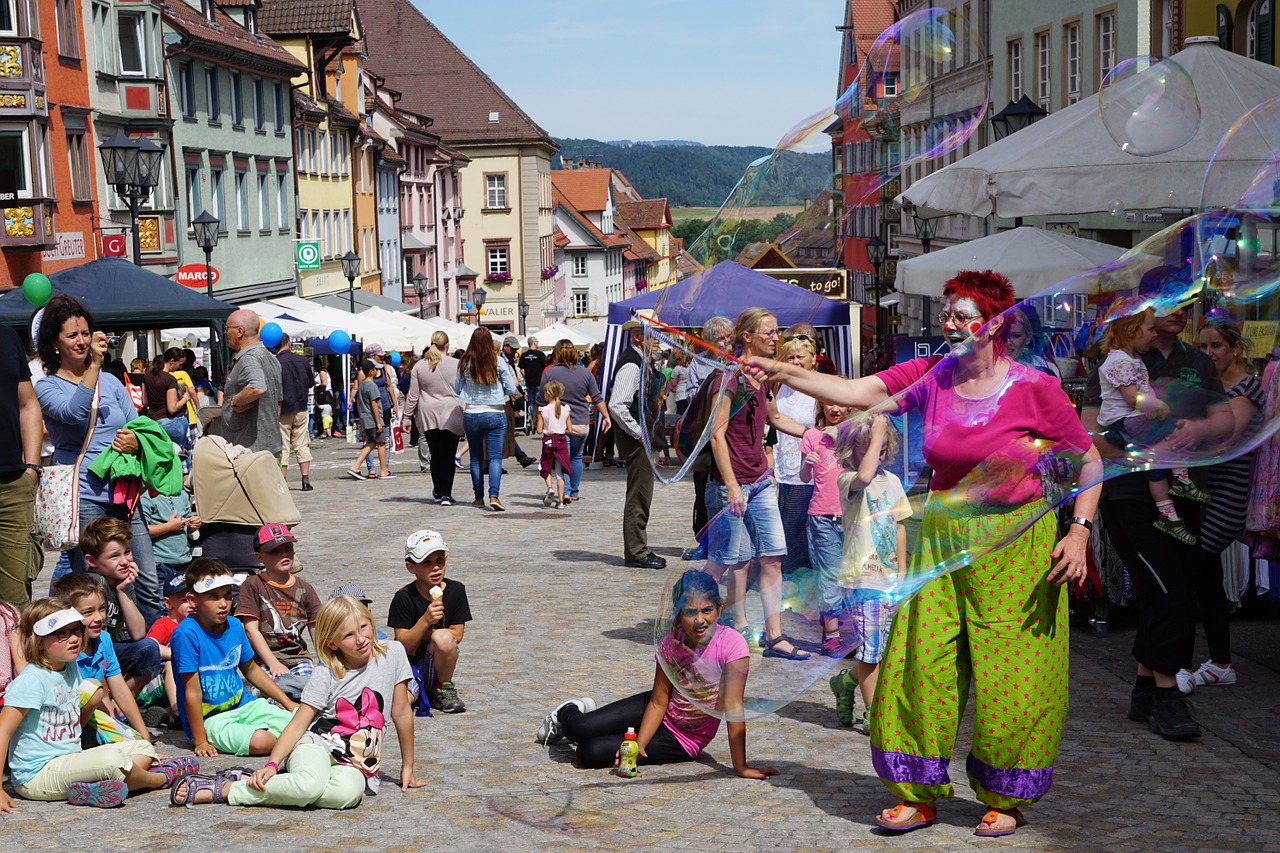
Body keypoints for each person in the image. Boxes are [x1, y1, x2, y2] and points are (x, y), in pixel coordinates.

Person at [755, 270, 1103, 837]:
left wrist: (1080, 531)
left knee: (1015, 671)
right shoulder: (934, 375)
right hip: (942, 530)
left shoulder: (1034, 388)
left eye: (963, 316)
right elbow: (859, 392)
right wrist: (783, 369)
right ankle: (917, 792)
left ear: (994, 325)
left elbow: (1088, 462)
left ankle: (1004, 795)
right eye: (947, 313)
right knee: (923, 659)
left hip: (1016, 540)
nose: (950, 324)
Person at [1084, 291, 1234, 744]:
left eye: (1185, 305)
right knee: (1171, 592)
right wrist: (1146, 440)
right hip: (1130, 493)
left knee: (1164, 591)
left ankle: (1145, 688)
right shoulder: (1118, 362)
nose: (1179, 313)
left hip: (1186, 493)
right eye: (1170, 305)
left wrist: (1199, 429)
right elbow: (1092, 437)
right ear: (1139, 323)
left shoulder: (1197, 360)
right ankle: (1169, 696)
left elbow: (1224, 420)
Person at [169, 595, 425, 807]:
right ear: (331, 643)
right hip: (316, 744)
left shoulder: (393, 653)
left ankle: (273, 783)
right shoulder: (326, 673)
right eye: (348, 635)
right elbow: (299, 723)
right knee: (308, 786)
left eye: (364, 627)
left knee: (347, 795)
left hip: (356, 760)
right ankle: (226, 789)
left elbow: (401, 711)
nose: (361, 639)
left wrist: (408, 766)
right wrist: (272, 763)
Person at [535, 570, 778, 780]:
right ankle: (567, 711)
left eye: (707, 610)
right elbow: (659, 700)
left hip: (683, 739)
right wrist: (639, 743)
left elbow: (734, 707)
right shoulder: (670, 643)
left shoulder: (733, 645)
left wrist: (741, 767)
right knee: (580, 727)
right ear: (678, 613)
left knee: (589, 752)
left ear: (719, 608)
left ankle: (598, 732)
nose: (700, 620)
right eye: (690, 612)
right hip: (655, 708)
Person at [34, 295, 161, 624]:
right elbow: (74, 412)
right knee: (93, 588)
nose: (81, 341)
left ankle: (150, 653)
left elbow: (137, 423)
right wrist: (93, 366)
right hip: (85, 497)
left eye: (86, 333)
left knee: (145, 578)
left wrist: (136, 441)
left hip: (124, 493)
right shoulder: (48, 387)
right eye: (72, 335)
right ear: (54, 342)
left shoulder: (111, 381)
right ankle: (103, 658)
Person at [0, 601, 195, 811]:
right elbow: (3, 731)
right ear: (38, 642)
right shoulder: (31, 680)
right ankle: (157, 779)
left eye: (76, 630)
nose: (74, 638)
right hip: (37, 776)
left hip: (69, 760)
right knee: (113, 759)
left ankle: (92, 788)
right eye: (61, 634)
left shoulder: (70, 667)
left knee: (143, 747)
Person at [703, 308, 810, 660]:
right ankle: (685, 617)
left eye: (777, 331)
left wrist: (815, 434)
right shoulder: (728, 379)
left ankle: (775, 636)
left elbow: (776, 418)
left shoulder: (761, 377)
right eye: (769, 332)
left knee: (774, 556)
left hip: (761, 482)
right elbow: (716, 435)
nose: (776, 338)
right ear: (747, 337)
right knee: (724, 562)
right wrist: (732, 487)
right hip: (735, 484)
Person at [1175, 315, 1263, 693]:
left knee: (1187, 570)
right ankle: (1221, 662)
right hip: (1197, 490)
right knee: (1206, 576)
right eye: (1202, 347)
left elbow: (1227, 437)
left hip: (1226, 493)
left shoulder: (1248, 388)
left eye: (1216, 347)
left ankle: (1174, 662)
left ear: (1235, 348)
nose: (1208, 354)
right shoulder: (1206, 384)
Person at [829, 414, 911, 736]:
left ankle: (844, 683)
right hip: (862, 580)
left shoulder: (892, 482)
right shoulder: (847, 479)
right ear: (852, 451)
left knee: (882, 651)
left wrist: (903, 572)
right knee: (871, 651)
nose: (875, 452)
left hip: (889, 579)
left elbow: (900, 525)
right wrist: (877, 432)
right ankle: (873, 715)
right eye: (866, 447)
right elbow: (863, 476)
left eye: (879, 445)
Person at [1096, 306, 1206, 544]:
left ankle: (1169, 514)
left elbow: (1146, 390)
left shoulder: (1132, 359)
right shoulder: (1119, 360)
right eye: (1150, 330)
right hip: (1122, 423)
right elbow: (1131, 397)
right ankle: (1181, 480)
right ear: (1131, 330)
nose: (1154, 335)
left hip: (1133, 420)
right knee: (1172, 429)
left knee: (1156, 471)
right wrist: (1159, 408)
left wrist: (1158, 403)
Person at [172, 558, 297, 757]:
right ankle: (284, 739)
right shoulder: (186, 634)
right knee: (261, 742)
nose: (223, 604)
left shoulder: (235, 625)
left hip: (244, 705)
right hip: (212, 719)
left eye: (228, 595)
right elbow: (192, 692)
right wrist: (200, 741)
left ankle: (285, 736)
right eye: (213, 596)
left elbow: (252, 669)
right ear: (192, 600)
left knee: (301, 721)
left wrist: (288, 703)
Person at [53, 522, 162, 739]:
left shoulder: (123, 581)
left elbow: (139, 633)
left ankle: (116, 711)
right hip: (84, 666)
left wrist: (123, 591)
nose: (124, 561)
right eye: (114, 556)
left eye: (127, 552)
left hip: (104, 652)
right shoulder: (90, 587)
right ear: (92, 561)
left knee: (149, 649)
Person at [387, 529, 472, 714]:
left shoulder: (456, 590)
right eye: (426, 562)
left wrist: (433, 634)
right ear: (411, 567)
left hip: (439, 662)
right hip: (409, 666)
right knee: (400, 705)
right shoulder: (403, 598)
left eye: (439, 560)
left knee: (443, 637)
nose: (435, 568)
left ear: (446, 560)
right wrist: (425, 620)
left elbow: (457, 634)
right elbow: (403, 644)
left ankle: (443, 688)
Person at [235, 524, 321, 701]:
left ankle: (282, 692)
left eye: (287, 548)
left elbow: (316, 629)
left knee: (315, 688)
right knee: (277, 690)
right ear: (260, 557)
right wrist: (273, 663)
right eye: (274, 550)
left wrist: (325, 661)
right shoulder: (253, 584)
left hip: (298, 659)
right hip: (263, 661)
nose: (283, 554)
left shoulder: (305, 588)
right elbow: (251, 629)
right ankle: (274, 692)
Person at [798, 399, 854, 658]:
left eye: (839, 405)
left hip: (853, 515)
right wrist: (807, 463)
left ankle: (847, 629)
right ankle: (831, 636)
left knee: (852, 576)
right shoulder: (812, 436)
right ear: (822, 407)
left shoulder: (855, 433)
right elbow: (804, 477)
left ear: (849, 408)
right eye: (829, 404)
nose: (835, 409)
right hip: (822, 517)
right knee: (830, 576)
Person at [609, 320, 667, 568]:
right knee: (639, 494)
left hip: (641, 436)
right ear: (636, 337)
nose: (657, 340)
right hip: (635, 439)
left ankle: (638, 548)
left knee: (643, 494)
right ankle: (636, 551)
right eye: (652, 336)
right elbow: (617, 405)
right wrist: (638, 432)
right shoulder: (632, 364)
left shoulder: (642, 361)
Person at [536, 340, 612, 503]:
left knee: (562, 458)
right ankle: (574, 490)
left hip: (559, 423)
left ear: (556, 352)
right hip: (582, 422)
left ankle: (567, 491)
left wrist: (539, 421)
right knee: (576, 457)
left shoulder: (549, 373)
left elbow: (540, 399)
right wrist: (606, 416)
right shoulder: (585, 373)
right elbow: (597, 397)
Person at [0, 322, 41, 605]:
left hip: (13, 485)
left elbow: (27, 405)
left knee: (16, 605)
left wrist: (32, 468)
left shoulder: (6, 336)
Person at [456, 328, 517, 511]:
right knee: (495, 458)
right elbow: (511, 389)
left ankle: (478, 497)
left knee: (475, 457)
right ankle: (494, 495)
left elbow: (457, 388)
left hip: (472, 413)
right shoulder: (497, 361)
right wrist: (500, 393)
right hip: (495, 412)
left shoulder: (465, 362)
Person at [773, 332, 820, 574]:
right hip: (781, 466)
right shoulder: (779, 385)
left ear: (813, 358)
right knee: (783, 526)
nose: (794, 362)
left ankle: (799, 574)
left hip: (809, 469)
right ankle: (790, 575)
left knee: (797, 525)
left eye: (800, 356)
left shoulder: (820, 388)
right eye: (789, 357)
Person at [685, 316, 735, 538]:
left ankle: (726, 534)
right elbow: (689, 396)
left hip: (731, 434)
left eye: (727, 337)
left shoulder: (736, 362)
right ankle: (703, 536)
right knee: (703, 488)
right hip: (705, 437)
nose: (723, 343)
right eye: (718, 338)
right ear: (708, 341)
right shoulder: (699, 363)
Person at [402, 332, 464, 505]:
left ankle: (437, 490)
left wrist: (406, 417)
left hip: (427, 412)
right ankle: (446, 494)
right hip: (451, 412)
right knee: (448, 454)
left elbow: (413, 395)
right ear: (447, 345)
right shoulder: (457, 364)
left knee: (435, 454)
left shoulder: (419, 366)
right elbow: (463, 389)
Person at [220, 309, 283, 455]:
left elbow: (257, 387)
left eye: (227, 328)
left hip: (249, 451)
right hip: (268, 446)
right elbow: (278, 403)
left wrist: (234, 401)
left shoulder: (249, 358)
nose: (225, 333)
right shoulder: (272, 358)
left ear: (240, 331)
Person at [276, 333, 315, 491]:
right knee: (302, 444)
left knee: (283, 445)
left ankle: (282, 481)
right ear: (289, 343)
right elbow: (311, 383)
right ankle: (305, 480)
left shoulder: (276, 362)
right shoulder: (302, 361)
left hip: (282, 408)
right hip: (301, 406)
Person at [142, 348, 197, 448]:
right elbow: (172, 409)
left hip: (154, 422)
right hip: (172, 423)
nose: (180, 367)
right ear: (172, 361)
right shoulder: (170, 379)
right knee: (179, 456)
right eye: (180, 364)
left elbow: (145, 402)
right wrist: (185, 398)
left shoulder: (148, 375)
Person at [346, 359, 391, 480]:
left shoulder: (362, 385)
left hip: (365, 418)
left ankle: (355, 466)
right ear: (371, 371)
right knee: (381, 443)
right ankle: (383, 471)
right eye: (375, 369)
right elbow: (374, 404)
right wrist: (378, 422)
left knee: (371, 443)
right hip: (373, 419)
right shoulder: (372, 386)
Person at [500, 336, 537, 467]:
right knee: (504, 431)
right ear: (505, 346)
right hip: (503, 399)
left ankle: (521, 457)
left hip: (508, 399)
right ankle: (520, 457)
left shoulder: (508, 360)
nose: (515, 352)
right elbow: (508, 382)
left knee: (506, 431)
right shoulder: (501, 361)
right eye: (513, 349)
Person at [363, 344, 399, 477]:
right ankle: (371, 469)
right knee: (371, 439)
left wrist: (394, 404)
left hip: (385, 407)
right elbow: (361, 390)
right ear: (372, 356)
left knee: (386, 438)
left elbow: (389, 387)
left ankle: (385, 467)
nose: (382, 358)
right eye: (379, 356)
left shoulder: (383, 369)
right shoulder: (364, 373)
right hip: (371, 410)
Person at [537, 380, 572, 509]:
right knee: (560, 473)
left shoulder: (543, 410)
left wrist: (547, 430)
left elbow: (539, 430)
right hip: (561, 441)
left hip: (548, 441)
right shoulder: (565, 410)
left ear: (548, 393)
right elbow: (570, 429)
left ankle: (550, 488)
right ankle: (561, 501)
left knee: (545, 467)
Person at [519, 336, 548, 433]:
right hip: (539, 382)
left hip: (529, 382)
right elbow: (545, 368)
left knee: (531, 403)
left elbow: (522, 370)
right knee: (539, 402)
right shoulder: (540, 355)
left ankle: (533, 420)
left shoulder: (524, 355)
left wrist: (525, 377)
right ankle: (539, 421)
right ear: (535, 343)